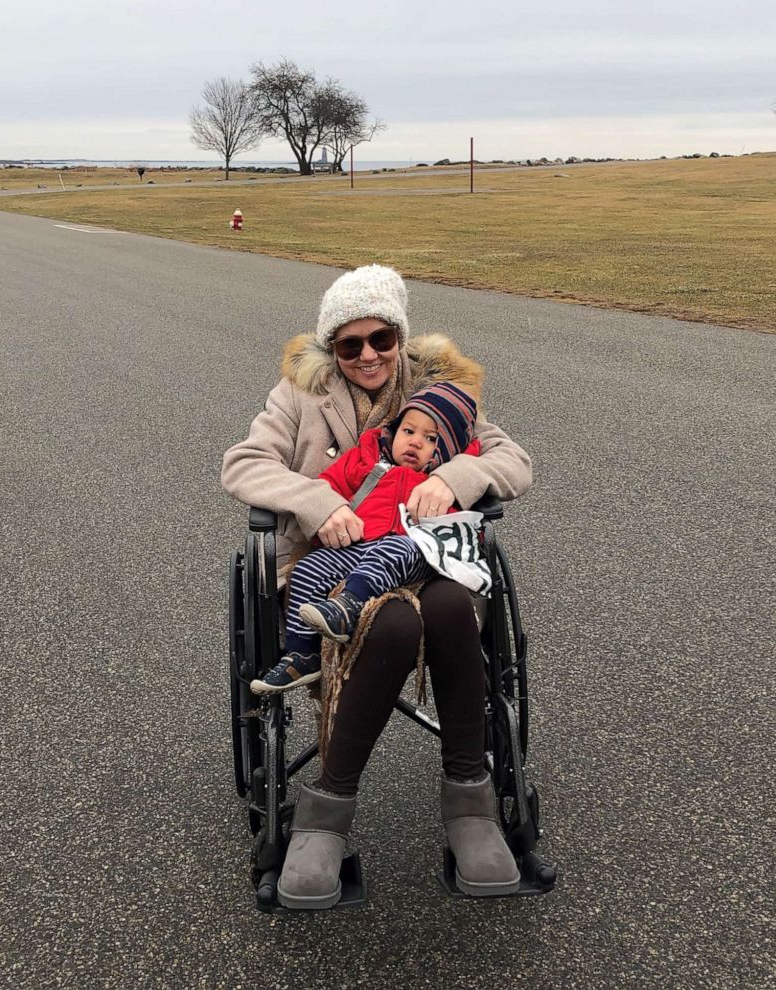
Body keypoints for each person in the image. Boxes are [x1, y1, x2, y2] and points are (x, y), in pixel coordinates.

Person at [221, 264, 532, 909]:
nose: (368, 356)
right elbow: (244, 462)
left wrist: (456, 478)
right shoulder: (299, 395)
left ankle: (471, 805)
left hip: (424, 560)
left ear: (400, 336)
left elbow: (512, 460)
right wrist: (312, 502)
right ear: (332, 348)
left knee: (447, 607)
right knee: (392, 623)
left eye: (381, 339)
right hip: (330, 569)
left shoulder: (439, 393)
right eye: (349, 344)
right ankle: (323, 816)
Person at [249, 380, 481, 696]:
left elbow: (466, 525)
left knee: (393, 548)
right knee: (307, 569)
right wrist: (323, 507)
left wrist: (455, 483)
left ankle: (348, 607)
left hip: (415, 550)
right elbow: (327, 484)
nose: (414, 443)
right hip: (359, 542)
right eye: (408, 432)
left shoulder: (442, 477)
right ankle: (302, 654)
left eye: (430, 439)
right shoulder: (368, 459)